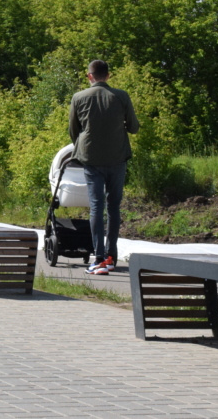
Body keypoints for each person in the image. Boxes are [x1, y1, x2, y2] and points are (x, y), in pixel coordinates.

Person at [69, 60, 139, 275]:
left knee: (97, 206)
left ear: (89, 76)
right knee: (114, 207)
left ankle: (98, 257)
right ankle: (111, 257)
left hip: (91, 160)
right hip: (117, 159)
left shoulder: (79, 97)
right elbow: (134, 128)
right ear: (108, 75)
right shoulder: (121, 96)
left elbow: (73, 130)